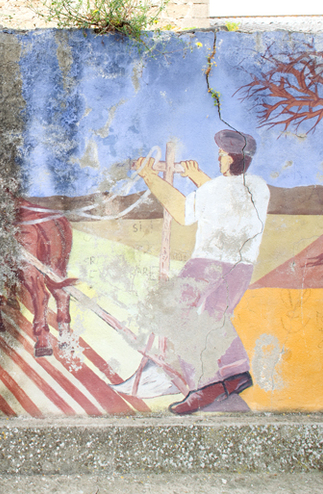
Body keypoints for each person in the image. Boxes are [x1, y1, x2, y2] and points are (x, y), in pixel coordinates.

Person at [111, 129, 270, 415]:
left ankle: (203, 386)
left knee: (174, 313)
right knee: (215, 316)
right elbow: (225, 198)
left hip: (208, 264)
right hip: (242, 266)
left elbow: (183, 212)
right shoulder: (258, 188)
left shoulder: (215, 189)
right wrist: (197, 176)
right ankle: (235, 373)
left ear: (230, 158)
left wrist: (149, 176)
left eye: (221, 155)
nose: (218, 159)